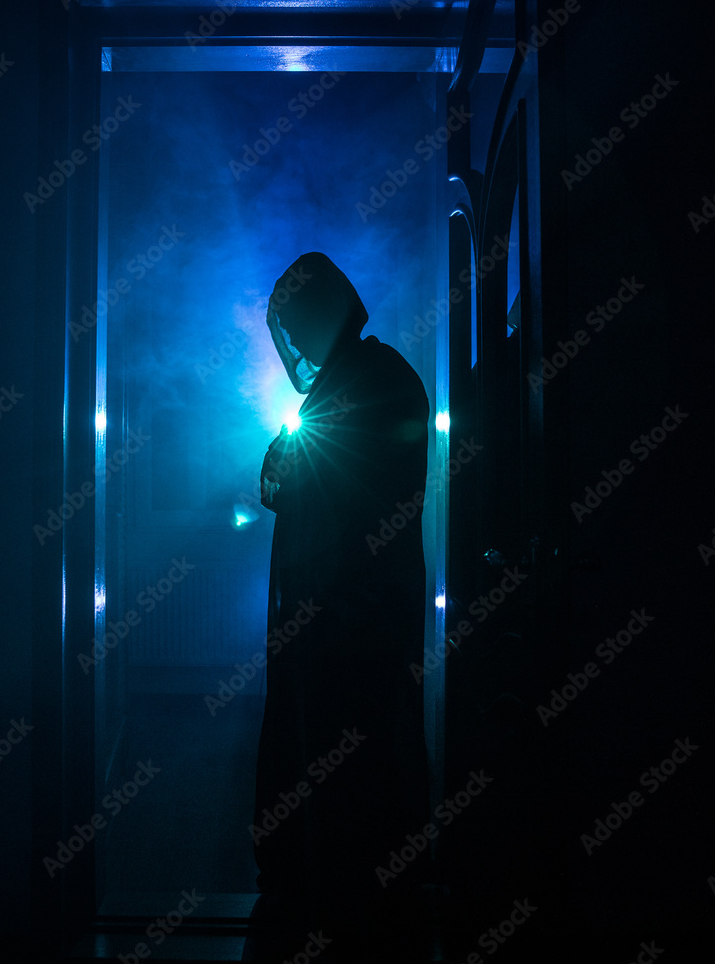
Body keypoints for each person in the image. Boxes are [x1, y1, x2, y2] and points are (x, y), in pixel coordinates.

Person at [249, 253, 431, 954]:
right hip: (353, 613)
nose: (294, 344)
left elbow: (336, 503)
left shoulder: (365, 385)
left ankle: (346, 909)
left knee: (346, 756)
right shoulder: (374, 376)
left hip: (350, 618)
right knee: (354, 753)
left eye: (297, 325)